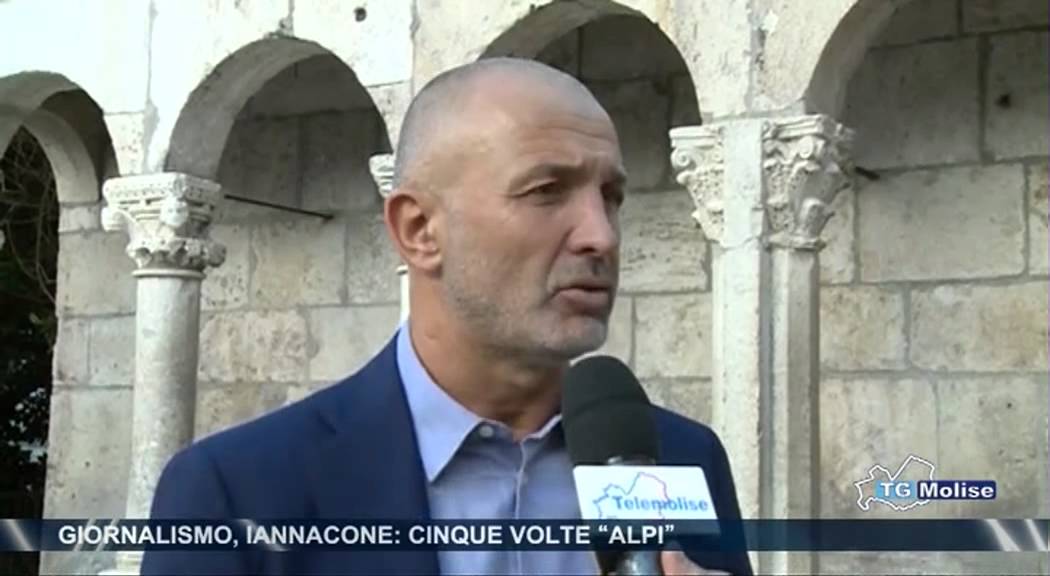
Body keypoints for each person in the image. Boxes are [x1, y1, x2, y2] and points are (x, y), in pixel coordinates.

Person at [141, 58, 752, 576]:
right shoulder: (237, 493)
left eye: (610, 198)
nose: (601, 236)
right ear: (419, 230)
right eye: (546, 191)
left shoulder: (679, 458)